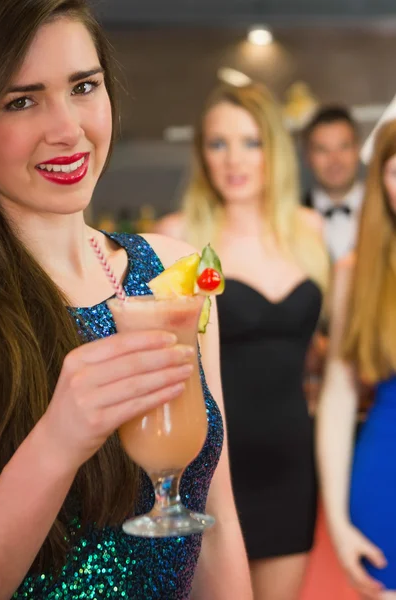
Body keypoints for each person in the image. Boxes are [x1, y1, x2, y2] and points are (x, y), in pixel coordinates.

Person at [0, 1, 252, 599]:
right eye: (21, 100)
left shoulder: (172, 273)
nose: (67, 128)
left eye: (83, 87)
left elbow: (214, 527)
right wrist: (58, 441)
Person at [155, 81, 330, 600]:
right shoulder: (178, 235)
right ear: (201, 153)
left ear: (273, 150)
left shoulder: (308, 230)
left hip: (292, 463)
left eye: (250, 142)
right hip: (211, 466)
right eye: (218, 143)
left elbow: (312, 350)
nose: (234, 159)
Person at [317, 117, 396, 600]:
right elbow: (338, 400)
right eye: (395, 171)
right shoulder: (357, 272)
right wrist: (338, 521)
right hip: (386, 485)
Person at [302, 105, 364, 262]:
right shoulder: (290, 217)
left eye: (344, 147)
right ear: (308, 156)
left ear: (358, 150)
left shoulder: (387, 210)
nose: (335, 160)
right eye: (322, 150)